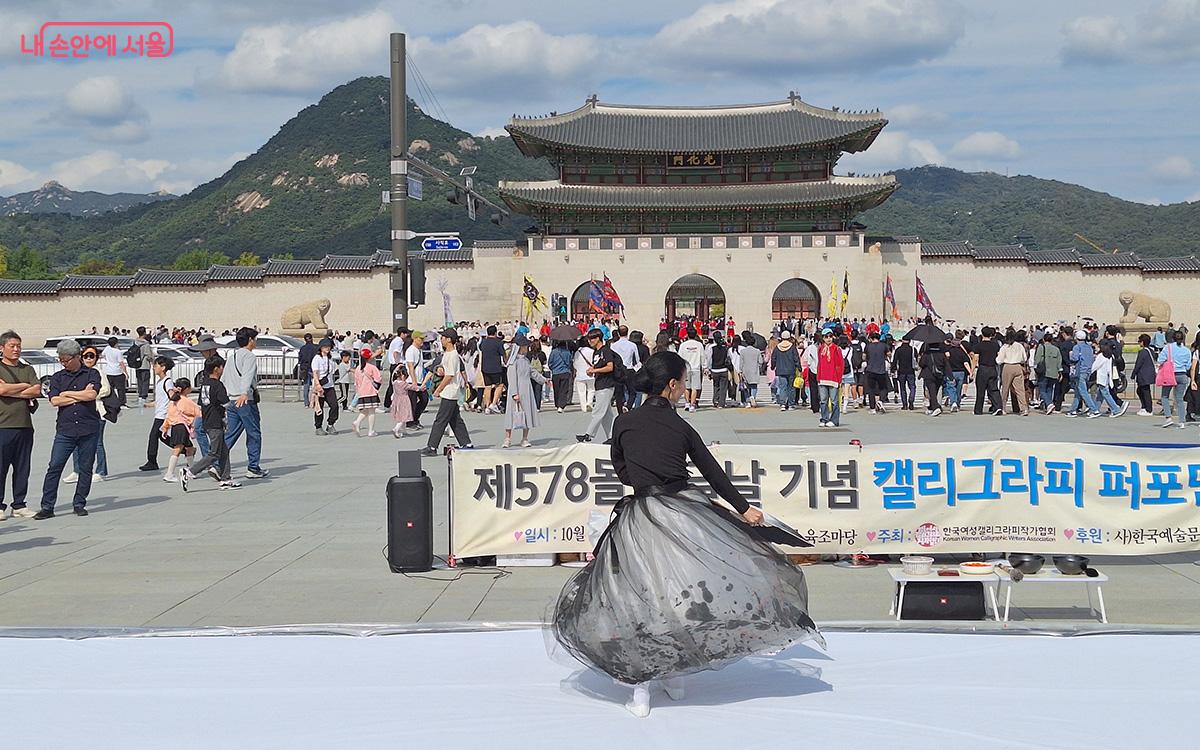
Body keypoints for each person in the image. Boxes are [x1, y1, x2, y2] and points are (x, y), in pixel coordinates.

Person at [550, 351, 823, 717]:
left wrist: (644, 485)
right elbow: (713, 472)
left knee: (640, 597)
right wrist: (744, 509)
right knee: (682, 595)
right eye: (683, 381)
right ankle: (675, 676)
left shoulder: (624, 423)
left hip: (640, 518)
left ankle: (640, 688)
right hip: (682, 515)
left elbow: (622, 469)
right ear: (673, 385)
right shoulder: (681, 427)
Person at [36, 340, 102, 520]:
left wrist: (67, 394)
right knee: (55, 466)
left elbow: (92, 395)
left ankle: (79, 503)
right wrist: (78, 396)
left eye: (66, 360)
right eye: (61, 360)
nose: (63, 363)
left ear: (76, 357)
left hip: (88, 428)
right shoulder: (58, 377)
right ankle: (47, 506)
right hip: (65, 429)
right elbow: (55, 401)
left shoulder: (91, 373)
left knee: (86, 467)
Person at [0, 331, 41, 520]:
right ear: (2, 348)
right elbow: (1, 389)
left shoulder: (27, 369)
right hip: (3, 426)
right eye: (12, 346)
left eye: (18, 346)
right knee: (1, 467)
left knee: (22, 466)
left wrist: (11, 390)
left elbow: (37, 389)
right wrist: (24, 387)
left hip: (24, 425)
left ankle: (19, 504)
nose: (16, 349)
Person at [186, 357, 240, 489]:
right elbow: (226, 402)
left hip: (207, 419)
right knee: (215, 453)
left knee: (224, 450)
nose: (223, 370)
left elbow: (202, 403)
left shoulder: (205, 384)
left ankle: (225, 478)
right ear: (216, 368)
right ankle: (191, 471)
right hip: (216, 421)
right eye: (222, 367)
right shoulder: (217, 384)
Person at [223, 327, 269, 479]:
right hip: (245, 400)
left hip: (231, 400)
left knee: (231, 434)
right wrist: (244, 392)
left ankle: (217, 462)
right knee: (254, 433)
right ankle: (253, 467)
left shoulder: (232, 356)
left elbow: (225, 379)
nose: (256, 342)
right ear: (250, 340)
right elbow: (248, 376)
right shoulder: (249, 356)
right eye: (255, 339)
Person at [421, 330, 474, 456]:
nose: (441, 339)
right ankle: (466, 443)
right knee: (455, 419)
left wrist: (438, 390)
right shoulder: (448, 354)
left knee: (440, 419)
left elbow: (449, 375)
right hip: (450, 391)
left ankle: (432, 447)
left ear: (449, 339)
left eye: (443, 337)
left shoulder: (452, 355)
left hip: (449, 392)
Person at [502, 334, 547, 448]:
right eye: (525, 346)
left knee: (527, 413)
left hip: (526, 389)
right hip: (517, 389)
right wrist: (514, 393)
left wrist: (543, 380)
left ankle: (525, 438)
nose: (527, 348)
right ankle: (507, 438)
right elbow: (511, 378)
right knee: (511, 413)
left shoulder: (526, 360)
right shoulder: (513, 361)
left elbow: (532, 372)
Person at [576, 329, 617, 443]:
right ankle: (611, 437)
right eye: (589, 339)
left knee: (598, 412)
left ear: (598, 338)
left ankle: (588, 435)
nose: (590, 341)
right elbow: (597, 365)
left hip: (606, 384)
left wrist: (596, 369)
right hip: (599, 384)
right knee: (606, 414)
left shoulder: (606, 351)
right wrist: (592, 370)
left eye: (592, 338)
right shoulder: (596, 352)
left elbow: (610, 367)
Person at [162, 377, 201, 486]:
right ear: (187, 389)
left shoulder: (173, 401)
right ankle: (169, 473)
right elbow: (198, 413)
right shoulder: (187, 401)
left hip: (175, 427)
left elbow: (168, 416)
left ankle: (192, 471)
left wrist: (165, 428)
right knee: (178, 449)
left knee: (189, 449)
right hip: (182, 427)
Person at [139, 355, 175, 472]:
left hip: (163, 415)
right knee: (161, 436)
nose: (153, 368)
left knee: (153, 436)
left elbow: (171, 396)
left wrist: (176, 394)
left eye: (156, 365)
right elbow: (160, 400)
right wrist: (149, 404)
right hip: (159, 413)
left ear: (163, 367)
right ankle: (184, 449)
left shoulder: (167, 381)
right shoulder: (160, 382)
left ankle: (152, 461)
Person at [1157, 330, 1193, 429]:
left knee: (1164, 396)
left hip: (1170, 374)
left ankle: (1168, 417)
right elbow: (1188, 365)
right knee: (1179, 399)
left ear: (1172, 338)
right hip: (1182, 375)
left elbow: (1160, 360)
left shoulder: (1168, 348)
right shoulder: (1187, 350)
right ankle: (1182, 421)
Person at [1065, 331, 1101, 418]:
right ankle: (1073, 410)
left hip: (1080, 371)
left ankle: (1094, 409)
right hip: (1088, 371)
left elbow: (1075, 358)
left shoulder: (1077, 347)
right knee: (1078, 391)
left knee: (1083, 391)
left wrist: (1071, 355)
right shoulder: (1089, 347)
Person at [351, 347, 384, 436]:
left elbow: (357, 382)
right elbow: (378, 378)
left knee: (365, 410)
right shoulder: (372, 367)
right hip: (371, 391)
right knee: (372, 411)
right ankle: (371, 430)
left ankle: (357, 422)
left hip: (361, 392)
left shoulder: (358, 368)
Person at [310, 337, 339, 436]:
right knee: (319, 407)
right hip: (320, 386)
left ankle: (330, 424)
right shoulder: (317, 358)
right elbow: (315, 372)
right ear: (321, 348)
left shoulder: (330, 358)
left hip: (329, 385)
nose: (327, 348)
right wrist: (317, 385)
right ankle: (318, 427)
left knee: (334, 405)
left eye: (328, 346)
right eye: (325, 346)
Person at [971, 326, 1003, 416]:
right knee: (994, 389)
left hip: (983, 368)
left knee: (980, 390)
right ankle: (998, 407)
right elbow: (998, 356)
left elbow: (975, 359)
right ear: (991, 335)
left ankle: (978, 410)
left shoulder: (979, 345)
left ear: (982, 334)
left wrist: (972, 370)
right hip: (992, 368)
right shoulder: (995, 345)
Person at [997, 331, 1030, 416]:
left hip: (1007, 366)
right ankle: (1024, 408)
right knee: (1020, 390)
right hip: (1018, 366)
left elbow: (999, 360)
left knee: (1005, 389)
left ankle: (1003, 408)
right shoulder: (1019, 346)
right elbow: (1024, 358)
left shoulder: (1005, 347)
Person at [1091, 345, 1128, 418]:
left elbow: (1095, 366)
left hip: (1101, 378)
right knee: (1100, 395)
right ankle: (1095, 409)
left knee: (1106, 394)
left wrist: (1090, 371)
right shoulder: (1110, 356)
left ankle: (1115, 409)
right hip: (1107, 377)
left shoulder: (1101, 356)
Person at [816, 330, 844, 427]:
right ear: (823, 338)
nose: (828, 339)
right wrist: (818, 377)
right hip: (823, 377)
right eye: (826, 337)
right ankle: (824, 418)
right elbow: (819, 364)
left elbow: (840, 364)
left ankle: (834, 420)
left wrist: (839, 378)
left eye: (830, 336)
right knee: (823, 400)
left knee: (834, 401)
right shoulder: (820, 349)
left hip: (833, 378)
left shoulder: (836, 349)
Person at [404, 331, 430, 429]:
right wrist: (414, 381)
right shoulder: (411, 350)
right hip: (412, 381)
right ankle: (409, 422)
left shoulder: (419, 350)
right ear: (415, 339)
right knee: (412, 402)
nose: (422, 341)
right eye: (421, 339)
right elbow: (410, 366)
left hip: (419, 380)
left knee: (424, 400)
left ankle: (415, 419)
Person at [479, 325, 507, 414]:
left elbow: (480, 349)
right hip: (495, 367)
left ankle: (487, 406)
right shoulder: (498, 342)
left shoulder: (483, 342)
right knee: (500, 385)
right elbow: (503, 354)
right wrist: (506, 362)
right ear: (495, 332)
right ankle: (493, 404)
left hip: (485, 367)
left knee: (487, 387)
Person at [1034, 332, 1063, 415]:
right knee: (1049, 389)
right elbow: (1059, 361)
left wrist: (1035, 369)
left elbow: (1037, 359)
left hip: (1044, 372)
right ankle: (1048, 405)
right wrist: (1059, 372)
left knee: (1042, 389)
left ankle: (1049, 404)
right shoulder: (1056, 349)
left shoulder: (1041, 347)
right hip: (1053, 372)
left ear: (1044, 339)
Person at [771, 331, 799, 411]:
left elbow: (773, 358)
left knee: (782, 387)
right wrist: (799, 367)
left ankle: (783, 403)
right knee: (791, 387)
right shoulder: (792, 347)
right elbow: (796, 358)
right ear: (789, 337)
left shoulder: (777, 347)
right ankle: (791, 404)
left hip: (780, 369)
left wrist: (773, 366)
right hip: (791, 369)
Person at [677, 330, 704, 412]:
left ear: (687, 335)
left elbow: (679, 357)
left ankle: (687, 403)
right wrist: (704, 367)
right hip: (696, 368)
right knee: (695, 388)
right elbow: (702, 356)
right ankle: (693, 405)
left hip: (686, 368)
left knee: (686, 387)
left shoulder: (683, 345)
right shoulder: (699, 345)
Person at [863, 331, 889, 414]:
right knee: (883, 388)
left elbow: (864, 357)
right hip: (881, 370)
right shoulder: (884, 346)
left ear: (870, 338)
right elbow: (889, 354)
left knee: (871, 389)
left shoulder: (868, 346)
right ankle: (881, 400)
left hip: (870, 369)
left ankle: (872, 408)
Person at [99, 336, 128, 408]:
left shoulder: (107, 348)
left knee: (109, 388)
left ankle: (110, 402)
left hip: (109, 371)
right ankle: (122, 403)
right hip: (117, 371)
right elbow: (121, 363)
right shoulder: (118, 352)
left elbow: (102, 355)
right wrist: (126, 373)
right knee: (120, 389)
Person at [919, 339, 946, 416]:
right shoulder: (941, 354)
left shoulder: (927, 354)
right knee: (935, 391)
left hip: (928, 374)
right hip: (939, 374)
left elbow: (921, 364)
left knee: (932, 392)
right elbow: (946, 365)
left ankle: (936, 407)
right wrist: (950, 376)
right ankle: (931, 407)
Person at [738, 333, 762, 408]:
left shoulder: (743, 351)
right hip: (754, 370)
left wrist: (740, 371)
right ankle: (753, 398)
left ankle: (748, 401)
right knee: (754, 386)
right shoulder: (757, 351)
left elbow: (741, 363)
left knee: (746, 387)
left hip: (746, 371)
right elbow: (761, 361)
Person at [548, 340, 573, 413]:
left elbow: (550, 362)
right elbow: (569, 362)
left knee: (557, 390)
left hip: (555, 373)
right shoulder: (567, 352)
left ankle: (557, 404)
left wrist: (553, 368)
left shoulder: (553, 352)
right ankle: (561, 405)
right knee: (564, 390)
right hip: (565, 372)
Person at [892, 338, 917, 410]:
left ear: (902, 341)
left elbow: (895, 360)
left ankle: (905, 404)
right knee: (912, 387)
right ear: (909, 341)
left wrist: (893, 369)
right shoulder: (913, 349)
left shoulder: (898, 350)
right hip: (911, 371)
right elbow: (916, 359)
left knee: (902, 388)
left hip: (901, 371)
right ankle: (911, 399)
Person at [573, 336, 596, 412]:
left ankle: (583, 407)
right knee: (591, 389)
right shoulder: (592, 351)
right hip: (590, 374)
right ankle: (589, 403)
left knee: (581, 392)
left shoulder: (577, 352)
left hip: (580, 375)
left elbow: (575, 364)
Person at [133, 326, 154, 407]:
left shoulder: (135, 342)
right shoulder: (146, 344)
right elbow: (148, 355)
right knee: (145, 381)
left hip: (137, 365)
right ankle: (143, 397)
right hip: (144, 365)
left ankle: (140, 396)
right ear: (144, 333)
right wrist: (152, 360)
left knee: (139, 381)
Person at [297, 333, 318, 408]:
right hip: (314, 368)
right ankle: (315, 401)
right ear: (312, 339)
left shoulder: (303, 348)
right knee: (315, 385)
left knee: (306, 386)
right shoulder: (316, 347)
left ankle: (306, 403)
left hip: (305, 368)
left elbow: (300, 358)